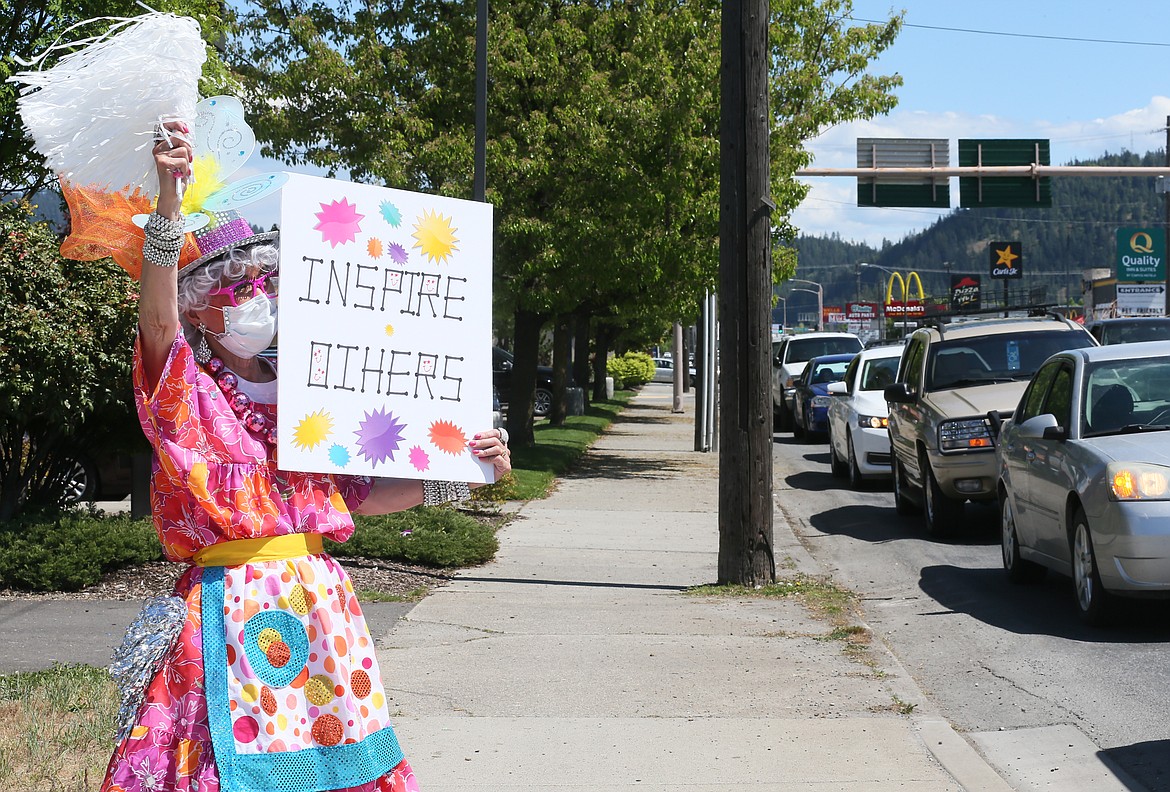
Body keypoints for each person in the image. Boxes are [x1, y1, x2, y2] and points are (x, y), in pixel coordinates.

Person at [99, 121, 510, 792]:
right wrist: (168, 212)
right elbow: (155, 326)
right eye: (239, 291)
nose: (260, 301)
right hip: (227, 617)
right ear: (200, 314)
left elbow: (358, 496)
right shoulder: (188, 397)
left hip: (323, 617)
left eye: (269, 286)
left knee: (332, 769)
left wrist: (463, 476)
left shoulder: (313, 396)